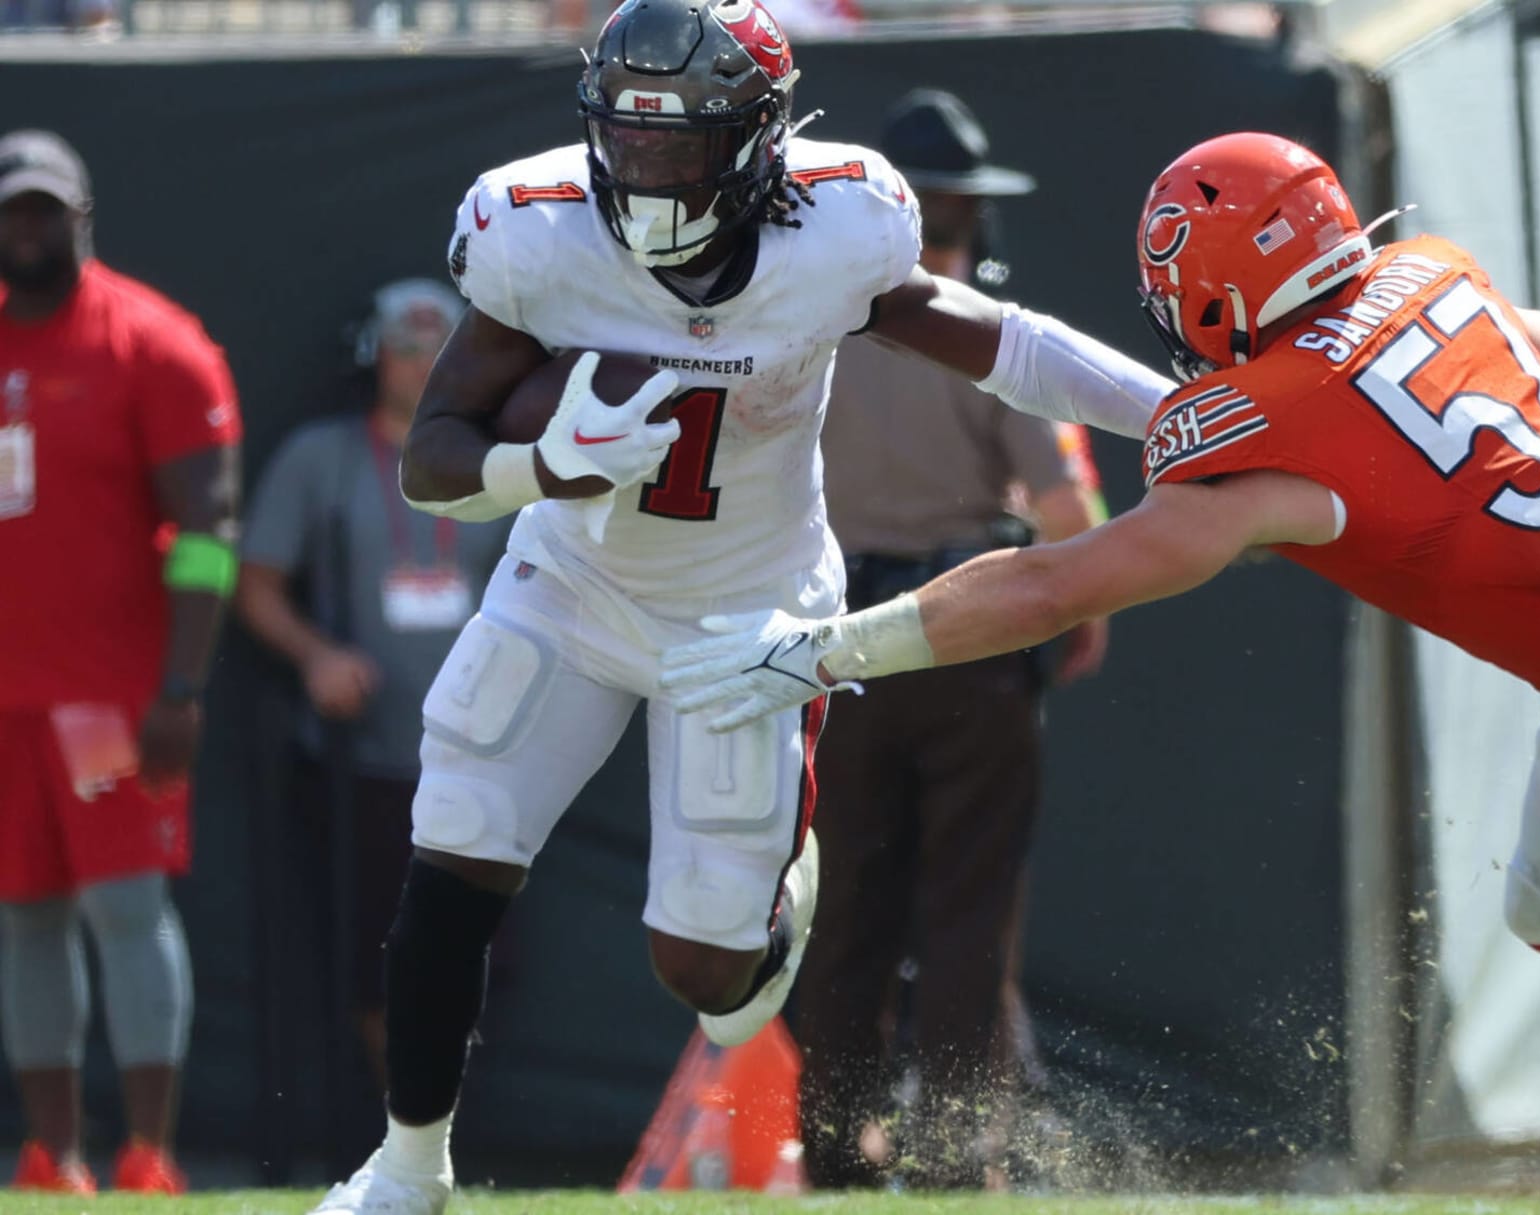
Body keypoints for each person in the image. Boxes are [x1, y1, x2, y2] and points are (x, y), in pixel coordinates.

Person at [665, 132, 1540, 1214]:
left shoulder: (1279, 448)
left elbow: (1053, 582)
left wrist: (833, 647)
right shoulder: (1429, 278)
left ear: (1220, 285)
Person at [307, 2, 1173, 1211]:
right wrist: (548, 465)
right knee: (459, 833)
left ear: (763, 137)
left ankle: (770, 896)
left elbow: (1001, 342)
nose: (648, 167)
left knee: (711, 982)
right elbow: (434, 458)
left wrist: (1178, 416)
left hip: (750, 613)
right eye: (628, 135)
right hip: (572, 586)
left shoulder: (840, 222)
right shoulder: (536, 229)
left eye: (685, 140)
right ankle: (408, 1170)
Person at [797, 88, 1110, 1190]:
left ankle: (836, 1144)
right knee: (968, 910)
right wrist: (1082, 611)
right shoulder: (986, 337)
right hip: (971, 647)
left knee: (842, 918)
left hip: (839, 655)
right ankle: (950, 1154)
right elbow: (1068, 513)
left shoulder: (810, 334)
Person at [0, 129, 241, 1196]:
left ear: (83, 217)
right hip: (6, 704)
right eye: (12, 213)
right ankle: (55, 1155)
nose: (28, 230)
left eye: (45, 211)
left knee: (123, 911)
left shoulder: (151, 342)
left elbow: (208, 527)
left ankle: (150, 1153)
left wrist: (181, 686)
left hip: (106, 700)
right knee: (24, 920)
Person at [235, 279, 510, 1095]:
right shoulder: (322, 457)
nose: (423, 362)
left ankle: (450, 1122)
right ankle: (404, 1124)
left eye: (439, 345)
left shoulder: (501, 457)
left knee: (484, 950)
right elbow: (255, 582)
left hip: (486, 760)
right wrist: (316, 654)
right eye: (406, 345)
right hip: (366, 764)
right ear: (374, 355)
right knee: (376, 954)